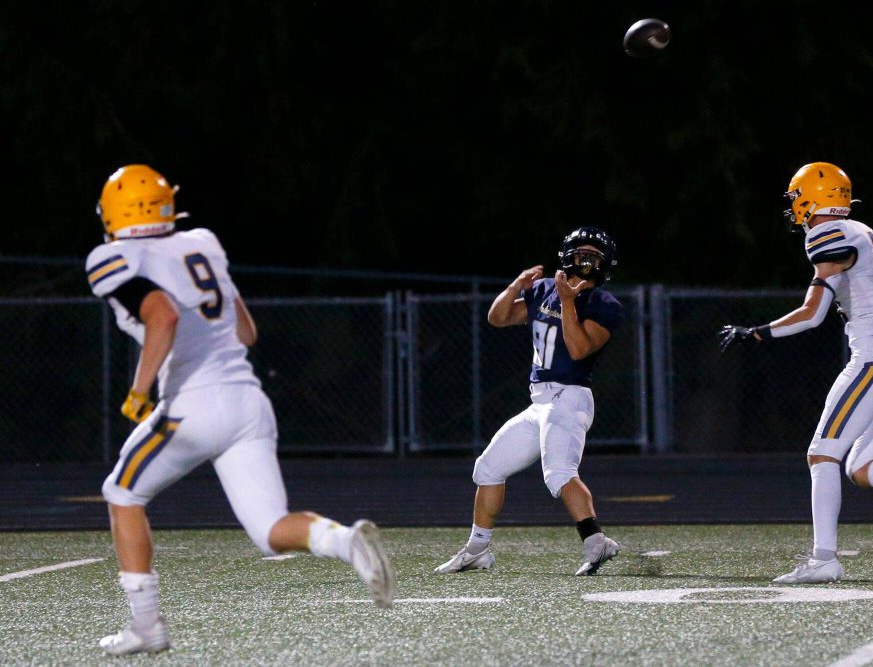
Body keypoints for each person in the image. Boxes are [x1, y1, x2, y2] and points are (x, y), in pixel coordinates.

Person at [86, 164, 395, 655]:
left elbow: (162, 315)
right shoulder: (201, 243)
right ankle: (345, 540)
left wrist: (140, 391)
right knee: (270, 530)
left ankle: (146, 626)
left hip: (193, 405)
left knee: (121, 493)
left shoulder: (111, 256)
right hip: (249, 404)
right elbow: (246, 332)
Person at [718, 161, 873, 584]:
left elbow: (812, 313)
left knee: (822, 454)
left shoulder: (827, 233)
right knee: (861, 469)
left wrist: (757, 332)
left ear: (811, 197)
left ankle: (824, 559)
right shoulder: (860, 230)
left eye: (796, 197)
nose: (793, 206)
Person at [435, 227, 625, 576]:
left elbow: (579, 349)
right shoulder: (542, 290)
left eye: (594, 257)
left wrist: (567, 301)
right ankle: (477, 550)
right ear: (567, 256)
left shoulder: (604, 304)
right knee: (488, 468)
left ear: (605, 265)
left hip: (569, 397)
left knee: (559, 474)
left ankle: (596, 542)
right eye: (581, 253)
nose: (586, 261)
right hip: (540, 402)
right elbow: (498, 317)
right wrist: (516, 286)